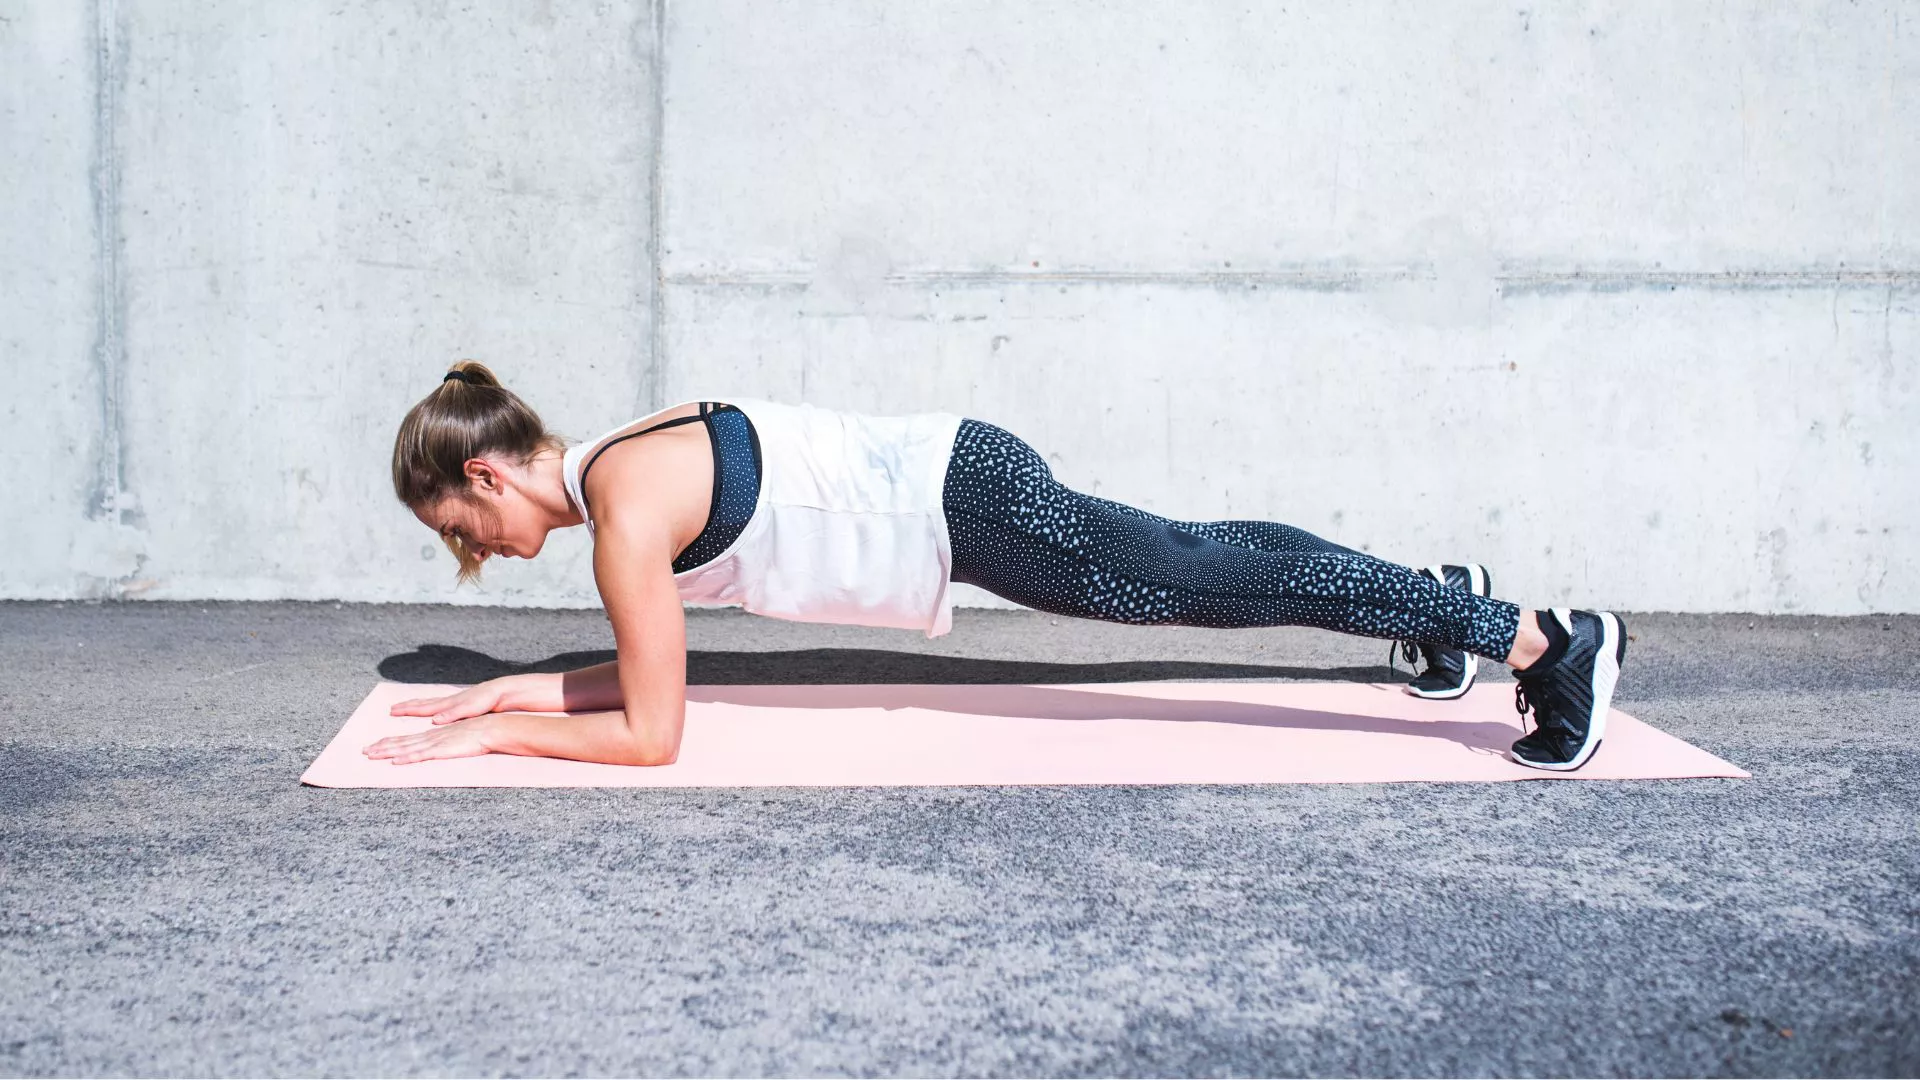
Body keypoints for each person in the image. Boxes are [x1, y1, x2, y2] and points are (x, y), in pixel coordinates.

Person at [367, 361, 1626, 772]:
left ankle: (1542, 642)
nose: (466, 551)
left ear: (487, 476)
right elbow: (648, 675)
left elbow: (655, 734)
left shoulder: (626, 518)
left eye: (454, 526)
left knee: (1202, 575)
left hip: (962, 505)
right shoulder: (615, 471)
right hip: (960, 483)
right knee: (1207, 560)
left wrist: (492, 735)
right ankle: (1445, 608)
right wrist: (512, 689)